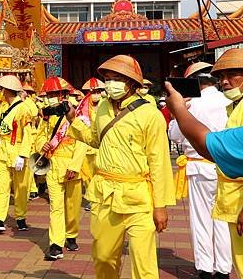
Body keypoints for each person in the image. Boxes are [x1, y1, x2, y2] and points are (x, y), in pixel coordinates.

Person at [69, 54, 175, 279]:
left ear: (132, 83)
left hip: (138, 196)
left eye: (117, 78)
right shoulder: (103, 108)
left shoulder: (150, 114)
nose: (111, 84)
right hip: (105, 193)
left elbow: (159, 162)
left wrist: (161, 206)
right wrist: (73, 120)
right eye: (107, 78)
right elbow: (96, 139)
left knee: (144, 264)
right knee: (104, 257)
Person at [167, 48, 243, 278]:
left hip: (202, 165)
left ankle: (205, 266)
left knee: (202, 219)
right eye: (221, 77)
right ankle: (223, 267)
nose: (226, 82)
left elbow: (176, 135)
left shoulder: (191, 105)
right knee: (222, 221)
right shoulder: (230, 103)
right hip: (224, 172)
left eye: (231, 76)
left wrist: (177, 111)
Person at [37, 77, 88, 260]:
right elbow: (39, 136)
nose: (50, 98)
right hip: (53, 165)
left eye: (53, 94)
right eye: (48, 94)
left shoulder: (78, 115)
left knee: (73, 206)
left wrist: (74, 165)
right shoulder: (47, 116)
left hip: (71, 166)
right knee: (55, 207)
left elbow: (83, 142)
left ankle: (71, 234)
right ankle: (56, 244)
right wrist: (41, 145)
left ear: (63, 95)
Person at [0, 75, 34, 233]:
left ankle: (20, 217)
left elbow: (28, 133)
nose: (0, 92)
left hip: (18, 151)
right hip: (4, 152)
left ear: (8, 91)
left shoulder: (23, 109)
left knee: (21, 188)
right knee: (2, 186)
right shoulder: (3, 107)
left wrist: (23, 155)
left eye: (2, 89)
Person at [80, 77, 105, 211]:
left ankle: (100, 197)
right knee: (87, 174)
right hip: (86, 144)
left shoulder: (106, 105)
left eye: (98, 91)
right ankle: (91, 197)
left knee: (100, 173)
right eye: (93, 92)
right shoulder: (82, 107)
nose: (96, 94)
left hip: (101, 145)